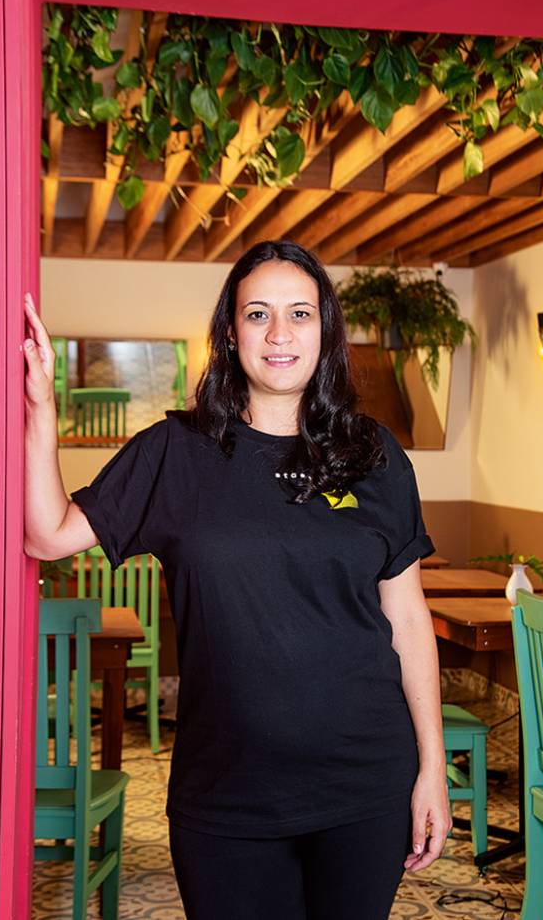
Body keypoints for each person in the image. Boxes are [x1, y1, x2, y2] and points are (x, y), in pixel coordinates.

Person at [24, 240, 452, 920]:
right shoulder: (175, 452)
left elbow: (406, 618)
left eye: (300, 314)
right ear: (230, 331)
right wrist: (41, 412)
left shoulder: (374, 455)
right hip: (226, 794)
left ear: (326, 331)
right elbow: (45, 535)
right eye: (258, 313)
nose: (280, 333)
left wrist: (431, 765)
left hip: (365, 785)